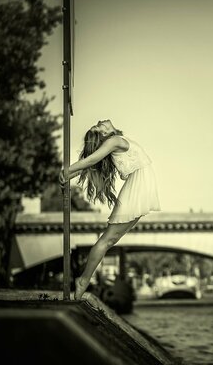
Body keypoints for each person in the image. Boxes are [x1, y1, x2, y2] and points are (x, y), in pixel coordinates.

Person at [59, 119, 161, 300]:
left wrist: (70, 173)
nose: (99, 121)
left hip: (139, 187)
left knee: (109, 240)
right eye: (98, 127)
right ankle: (83, 280)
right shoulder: (113, 141)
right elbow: (92, 159)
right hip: (137, 189)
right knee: (107, 240)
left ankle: (83, 280)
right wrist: (68, 171)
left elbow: (90, 164)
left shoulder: (116, 141)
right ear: (105, 134)